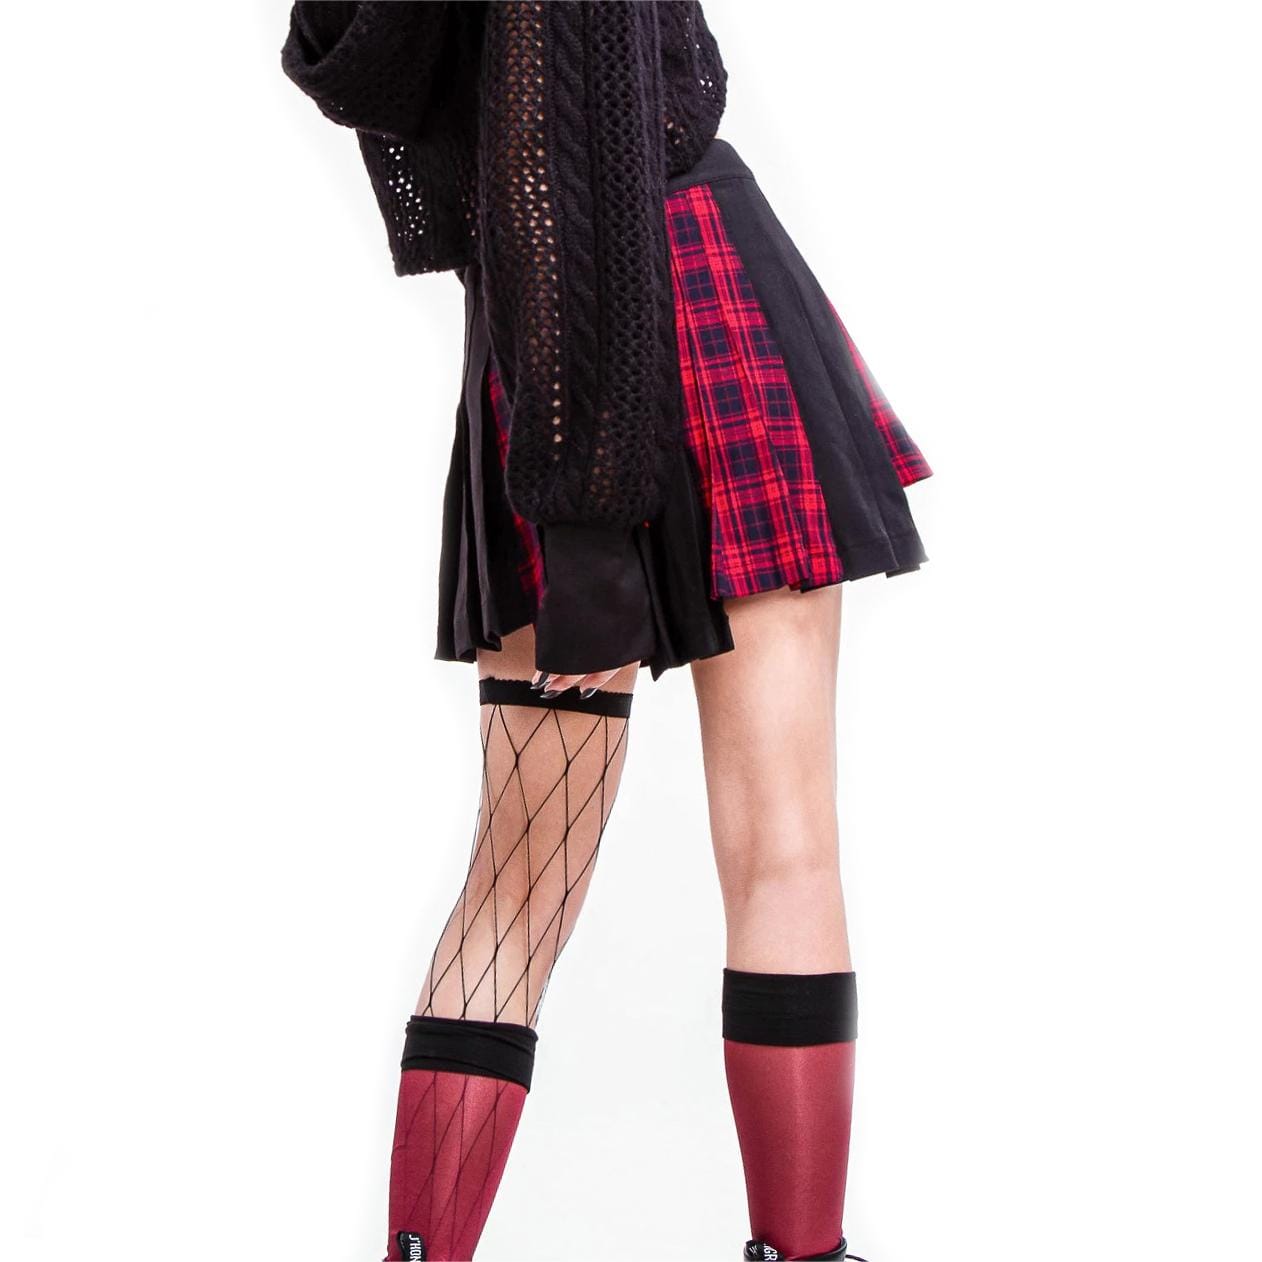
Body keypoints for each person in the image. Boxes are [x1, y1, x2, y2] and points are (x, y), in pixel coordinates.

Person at [282, 4, 930, 1259]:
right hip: (670, 309)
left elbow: (439, 107)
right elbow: (573, 163)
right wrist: (584, 533)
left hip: (546, 353)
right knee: (778, 847)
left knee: (518, 883)